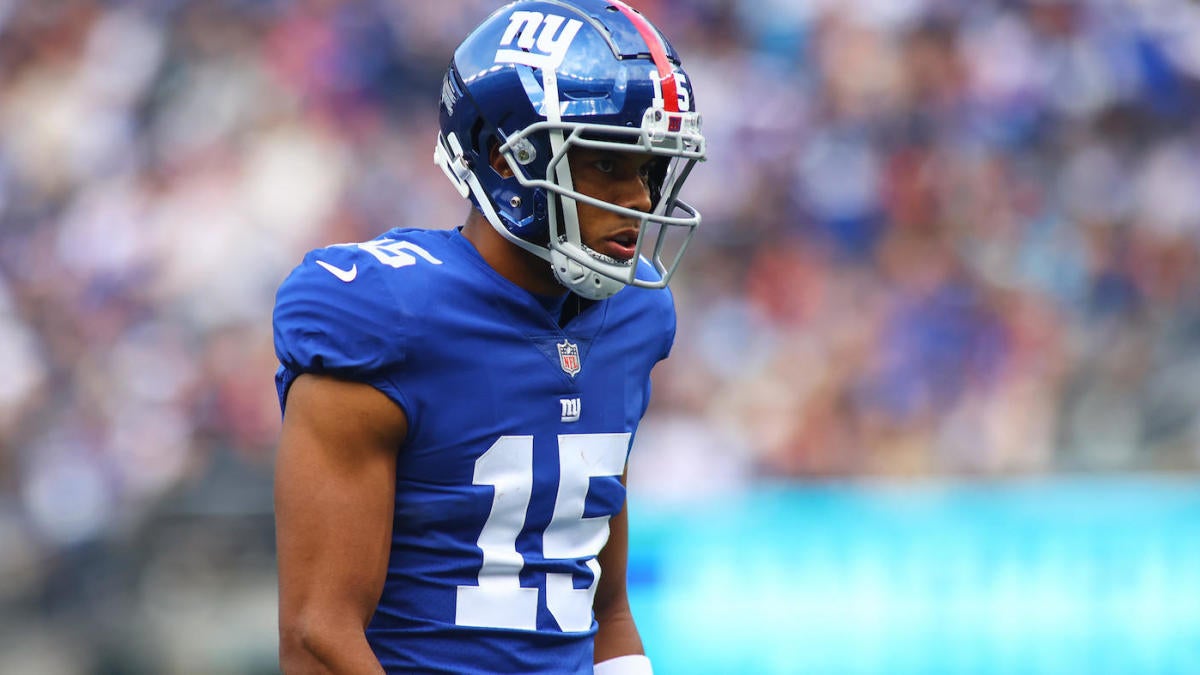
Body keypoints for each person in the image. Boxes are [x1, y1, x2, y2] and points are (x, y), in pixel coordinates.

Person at [271, 1, 705, 672]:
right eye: (609, 166)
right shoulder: (386, 313)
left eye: (648, 170)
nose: (643, 200)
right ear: (507, 160)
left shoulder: (635, 316)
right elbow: (316, 636)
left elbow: (605, 608)